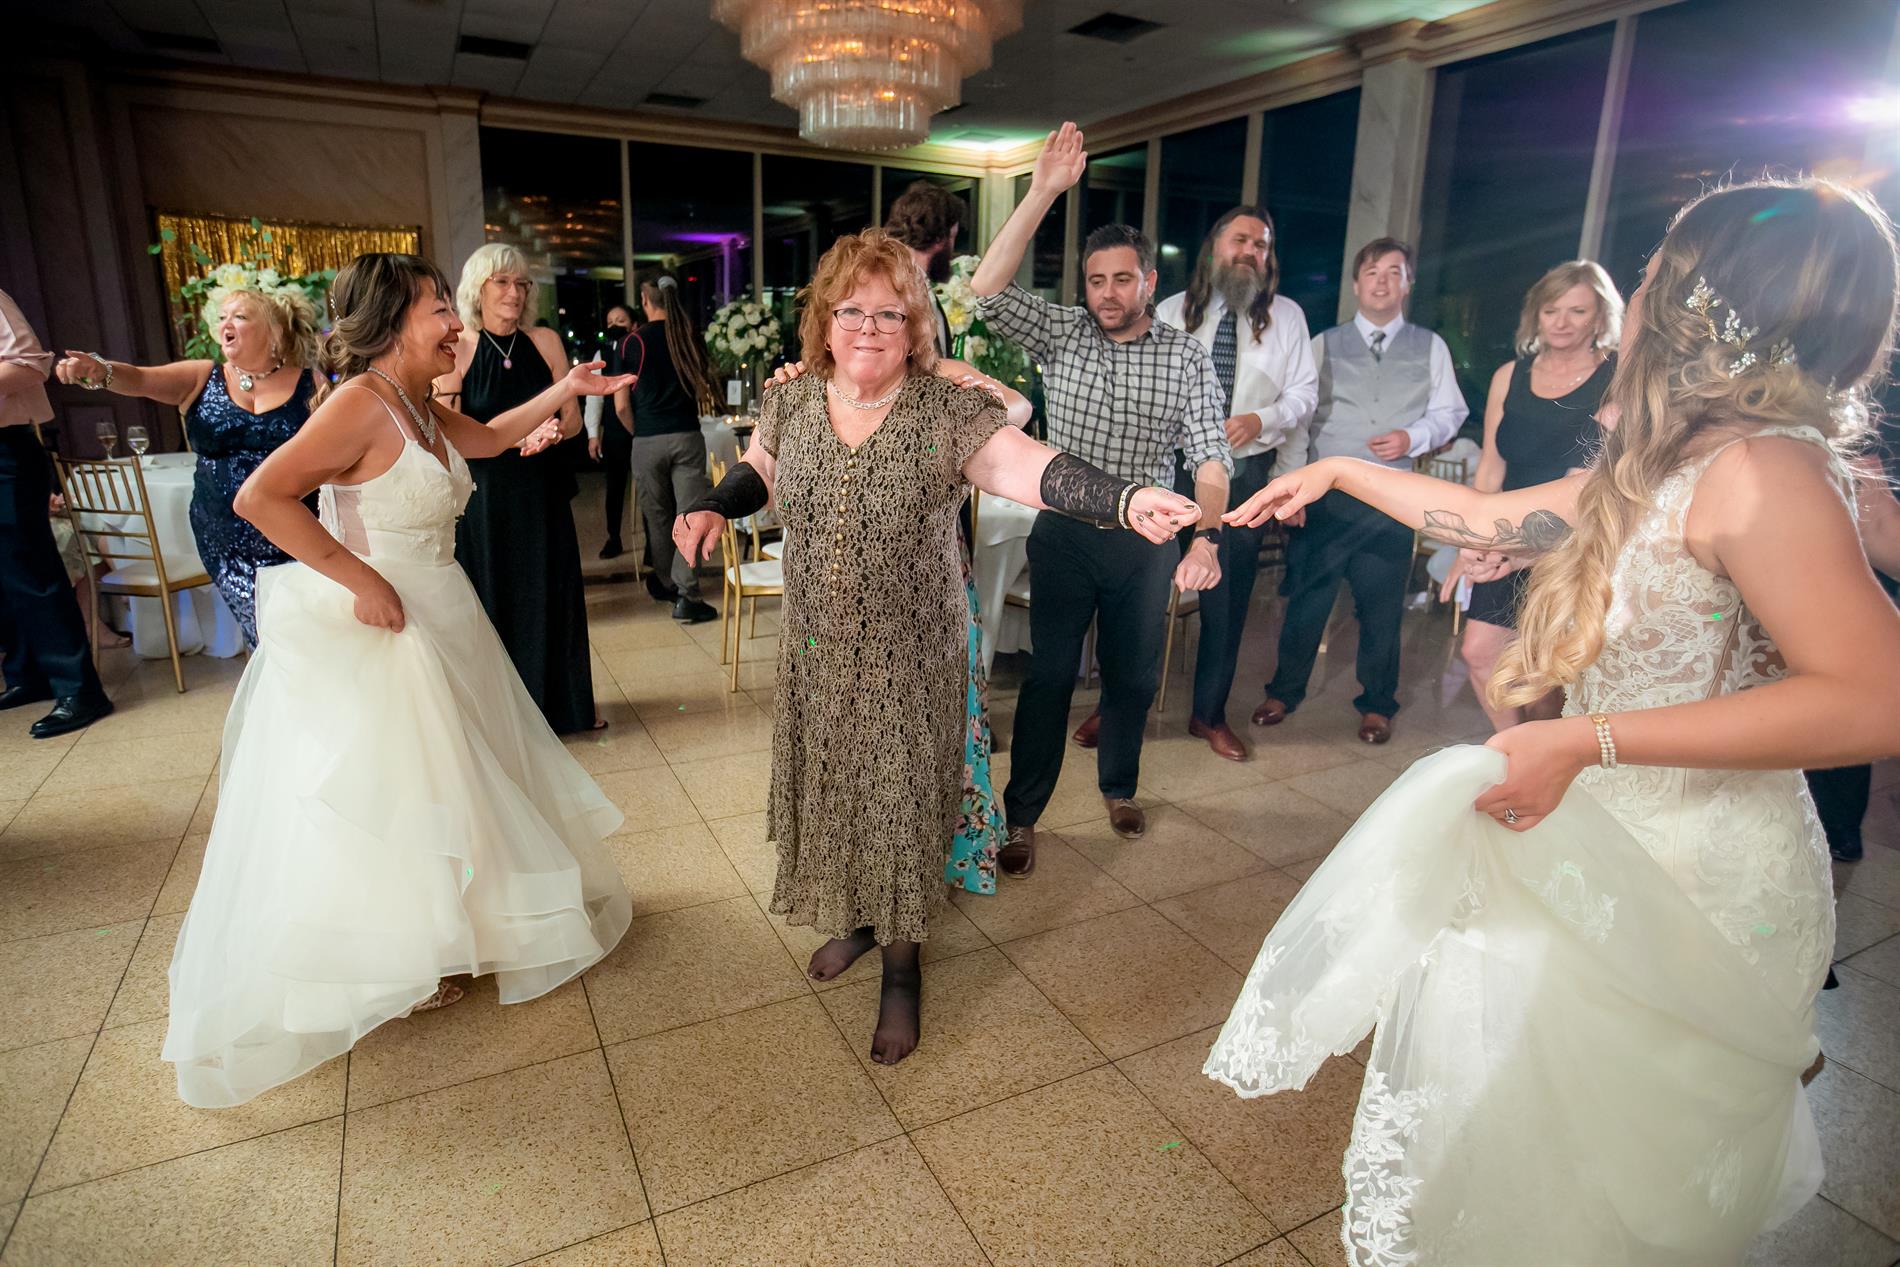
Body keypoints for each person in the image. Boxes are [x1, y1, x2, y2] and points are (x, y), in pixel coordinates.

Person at [1209, 177, 1900, 1264]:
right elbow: (1489, 516)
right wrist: (1337, 470)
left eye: (1660, 270)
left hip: (1698, 872)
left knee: (1629, 1167)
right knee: (1557, 1141)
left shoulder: (1766, 468)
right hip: (1608, 831)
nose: (1640, 290)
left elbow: (1876, 695)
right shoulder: (1676, 460)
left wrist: (1586, 737)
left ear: (1712, 301)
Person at [674, 230, 1200, 1064]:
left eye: (890, 313)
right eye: (853, 310)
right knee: (838, 791)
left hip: (912, 655)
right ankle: (854, 917)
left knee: (900, 803)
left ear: (915, 326)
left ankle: (901, 968)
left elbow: (1029, 466)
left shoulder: (942, 409)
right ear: (825, 318)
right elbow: (762, 468)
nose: (869, 327)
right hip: (817, 652)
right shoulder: (793, 400)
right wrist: (712, 503)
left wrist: (1123, 497)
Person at [163, 252, 635, 1109]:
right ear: (389, 322)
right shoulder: (357, 403)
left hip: (444, 605)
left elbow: (489, 439)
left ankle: (459, 926)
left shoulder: (417, 401)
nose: (454, 322)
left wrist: (569, 389)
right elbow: (261, 498)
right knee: (398, 789)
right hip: (386, 621)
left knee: (456, 775)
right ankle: (393, 951)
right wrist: (361, 581)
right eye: (437, 308)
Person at [970, 122, 1232, 871]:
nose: (1107, 293)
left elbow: (1210, 457)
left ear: (1148, 281)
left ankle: (1119, 786)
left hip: (1145, 543)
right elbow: (986, 291)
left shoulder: (1185, 356)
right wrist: (1042, 191)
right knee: (1050, 676)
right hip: (1064, 532)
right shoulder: (1064, 333)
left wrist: (1207, 536)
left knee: (1132, 676)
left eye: (1122, 279)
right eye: (1095, 280)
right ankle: (1022, 817)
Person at [1252, 237, 1467, 745]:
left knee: (1382, 607)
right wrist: (1291, 489)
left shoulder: (1430, 346)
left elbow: (1450, 412)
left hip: (1393, 498)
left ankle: (1377, 704)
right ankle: (1284, 691)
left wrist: (1413, 437)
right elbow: (1300, 419)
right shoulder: (1324, 342)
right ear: (1356, 284)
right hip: (1326, 496)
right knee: (1307, 600)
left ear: (1407, 284)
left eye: (1394, 272)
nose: (1382, 281)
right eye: (1372, 272)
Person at [53, 285, 323, 646]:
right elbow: (140, 378)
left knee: (306, 628)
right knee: (265, 633)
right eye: (222, 317)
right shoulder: (202, 376)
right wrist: (102, 371)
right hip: (224, 535)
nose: (226, 323)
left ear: (274, 331)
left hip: (295, 528)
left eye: (240, 316)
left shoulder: (311, 384)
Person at [1147, 205, 1318, 762]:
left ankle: (1209, 714)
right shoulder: (1171, 310)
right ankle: (1122, 702)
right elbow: (1147, 389)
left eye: (1261, 244)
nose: (1250, 252)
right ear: (1214, 248)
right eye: (1240, 240)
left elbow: (1304, 397)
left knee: (1227, 600)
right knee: (1143, 588)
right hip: (1169, 470)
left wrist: (1261, 420)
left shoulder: (1287, 316)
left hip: (1245, 477)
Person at [435, 243, 600, 734]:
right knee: (497, 595)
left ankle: (565, 708)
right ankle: (504, 719)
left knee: (552, 591)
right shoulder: (460, 348)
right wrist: (515, 438)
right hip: (487, 496)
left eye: (521, 283)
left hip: (542, 488)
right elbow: (448, 433)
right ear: (478, 289)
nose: (514, 292)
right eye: (502, 282)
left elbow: (572, 420)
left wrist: (554, 431)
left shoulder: (545, 341)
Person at [1449, 260, 1620, 731]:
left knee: (1546, 678)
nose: (1561, 322)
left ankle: (1540, 754)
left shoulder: (1617, 377)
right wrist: (1470, 540)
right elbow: (1491, 467)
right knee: (1479, 652)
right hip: (1505, 534)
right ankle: (1514, 749)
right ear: (1536, 315)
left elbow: (1586, 481)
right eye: (1551, 310)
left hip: (1572, 541)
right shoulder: (1510, 375)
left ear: (1600, 318)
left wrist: (1522, 548)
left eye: (1577, 311)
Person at [0, 287, 112, 737]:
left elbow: (30, 364)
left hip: (5, 450)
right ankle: (29, 674)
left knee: (32, 571)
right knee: (5, 576)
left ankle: (81, 690)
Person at [614, 276, 719, 623]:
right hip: (687, 437)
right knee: (689, 516)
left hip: (647, 439)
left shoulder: (631, 342)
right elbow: (702, 387)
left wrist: (641, 433)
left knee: (657, 517)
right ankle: (688, 595)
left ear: (645, 301)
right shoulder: (689, 338)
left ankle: (666, 583)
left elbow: (621, 406)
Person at [884, 179, 969, 353]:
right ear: (939, 239)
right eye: (952, 237)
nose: (952, 250)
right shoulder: (897, 289)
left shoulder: (919, 286)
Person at [586, 303, 636, 560]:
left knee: (648, 488)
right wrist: (593, 434)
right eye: (610, 322)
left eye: (621, 320)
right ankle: (613, 537)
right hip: (615, 431)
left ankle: (654, 547)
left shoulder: (639, 351)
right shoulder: (602, 354)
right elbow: (594, 398)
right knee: (614, 487)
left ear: (634, 325)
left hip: (642, 428)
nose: (615, 325)